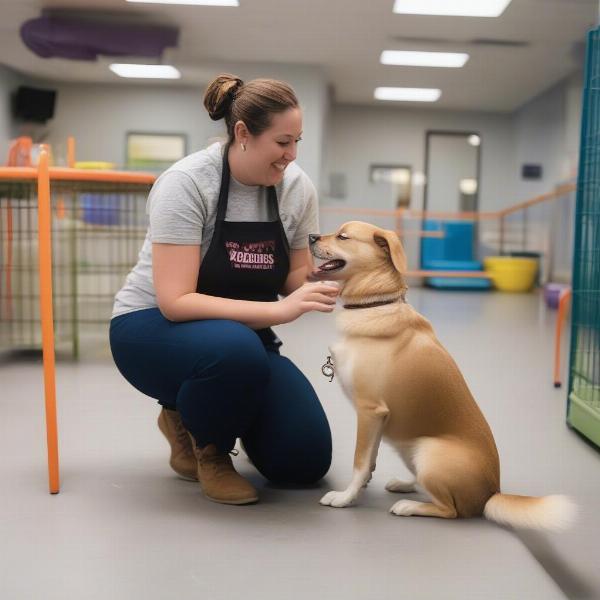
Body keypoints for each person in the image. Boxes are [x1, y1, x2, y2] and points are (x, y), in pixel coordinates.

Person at [109, 73, 339, 506]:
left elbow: (294, 276)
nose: (291, 155)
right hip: (150, 328)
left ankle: (195, 406)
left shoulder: (296, 188)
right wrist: (281, 312)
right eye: (282, 142)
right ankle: (210, 449)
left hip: (238, 338)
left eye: (298, 142)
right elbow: (175, 303)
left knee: (303, 461)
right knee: (235, 352)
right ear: (242, 134)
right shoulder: (188, 183)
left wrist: (337, 275)